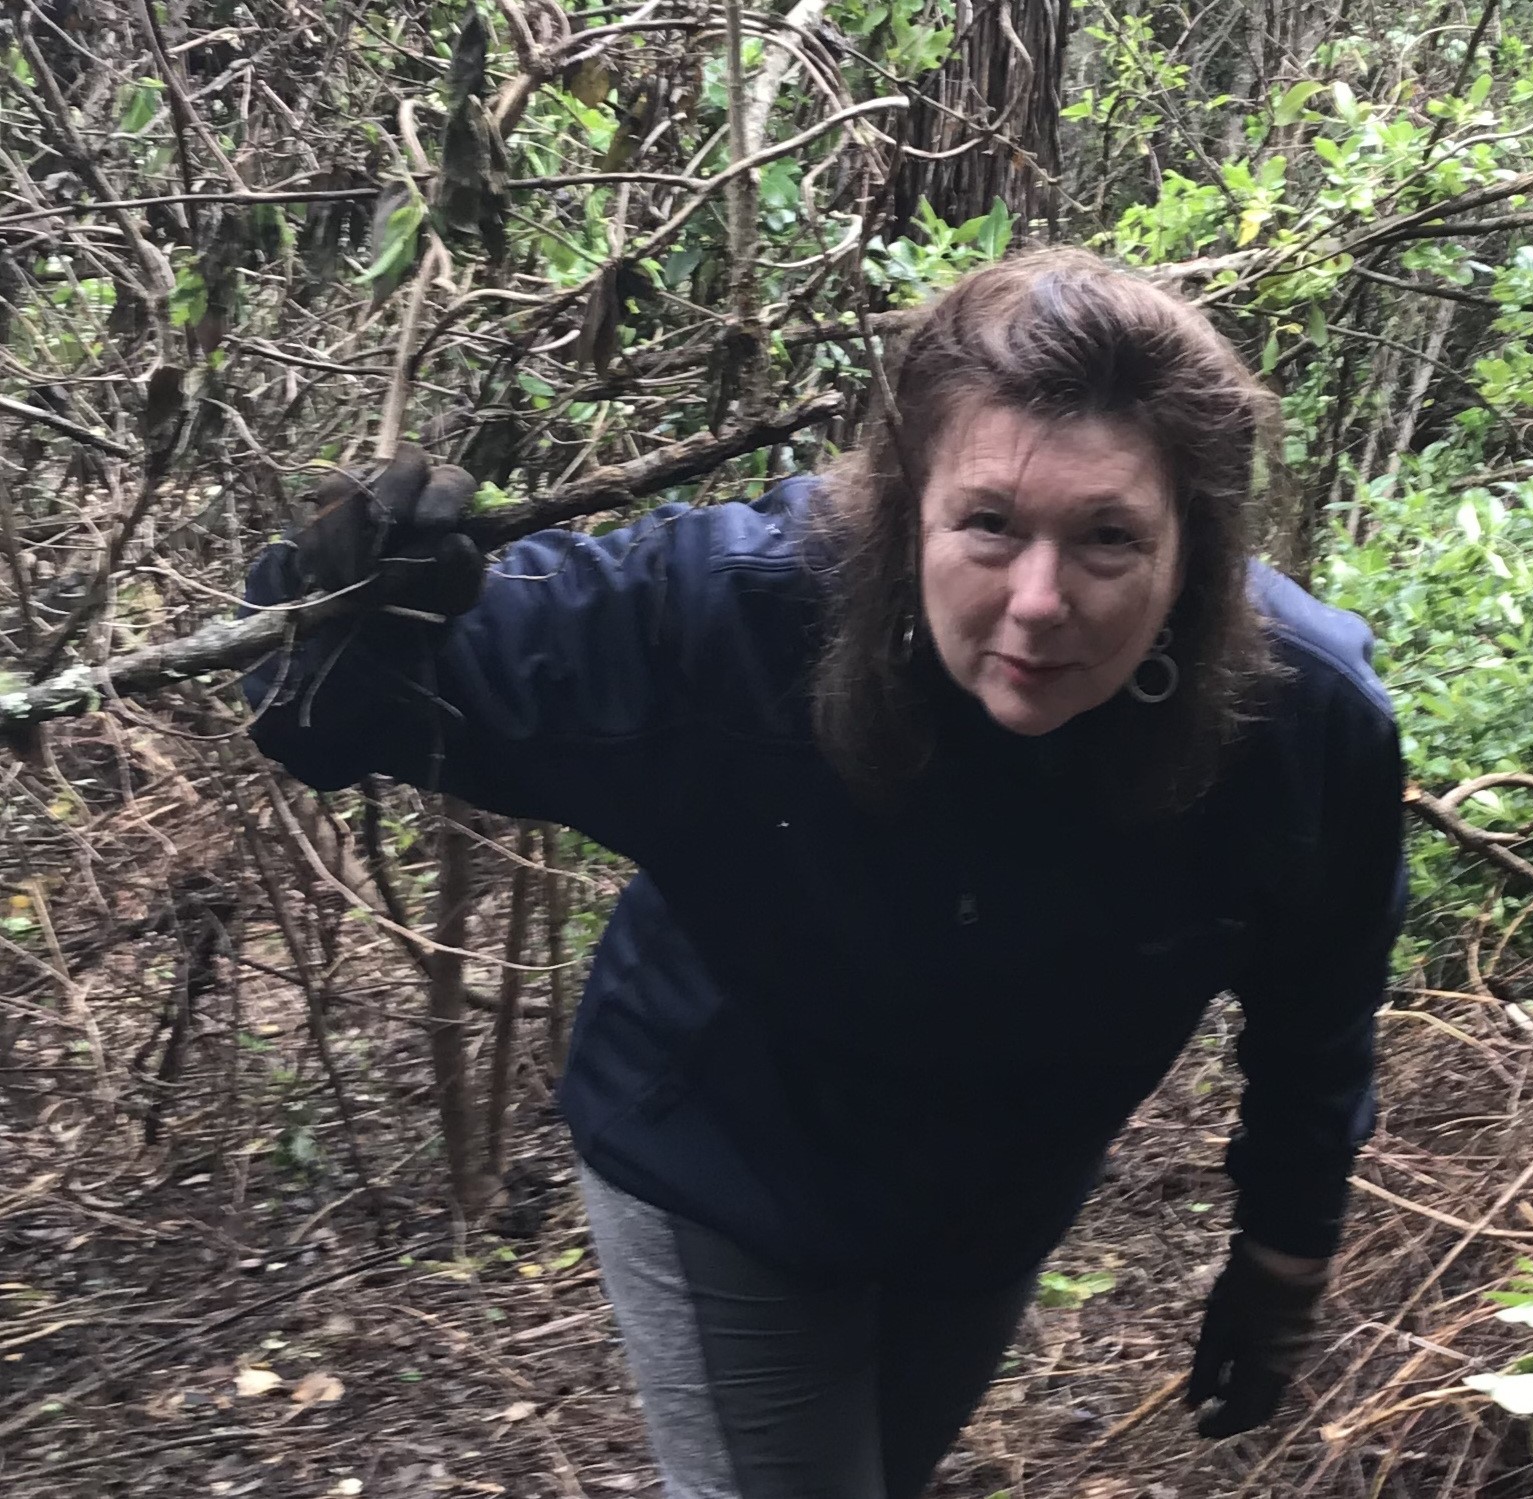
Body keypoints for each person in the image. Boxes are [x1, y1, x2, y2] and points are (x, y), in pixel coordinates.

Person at [242, 248, 1405, 1498]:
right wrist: (343, 590)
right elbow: (330, 701)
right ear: (910, 506)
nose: (1035, 602)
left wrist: (1286, 1253)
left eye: (1110, 538)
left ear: (1198, 551)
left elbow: (1316, 1009)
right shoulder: (736, 615)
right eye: (989, 524)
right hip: (725, 1162)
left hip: (987, 1208)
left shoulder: (1298, 724)